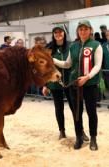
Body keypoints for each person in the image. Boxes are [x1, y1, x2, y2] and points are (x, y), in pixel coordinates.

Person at [53, 20, 102, 151]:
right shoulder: (73, 46)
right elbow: (67, 64)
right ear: (78, 31)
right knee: (77, 113)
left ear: (90, 30)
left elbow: (98, 65)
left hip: (90, 84)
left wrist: (87, 77)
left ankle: (93, 138)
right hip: (75, 85)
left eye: (85, 29)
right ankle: (79, 137)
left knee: (92, 112)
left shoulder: (96, 45)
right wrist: (52, 60)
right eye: (80, 29)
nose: (83, 31)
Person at [42, 25, 89, 140]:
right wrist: (45, 85)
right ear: (53, 35)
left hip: (70, 81)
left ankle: (80, 131)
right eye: (56, 33)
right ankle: (62, 131)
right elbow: (45, 68)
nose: (58, 34)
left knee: (75, 108)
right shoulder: (48, 48)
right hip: (54, 83)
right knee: (59, 108)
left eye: (60, 32)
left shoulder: (71, 45)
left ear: (64, 33)